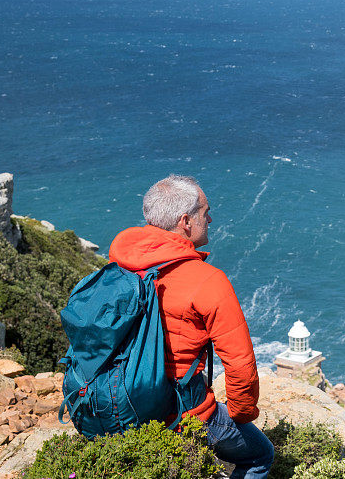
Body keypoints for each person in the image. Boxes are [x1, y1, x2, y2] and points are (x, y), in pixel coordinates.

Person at [108, 174, 274, 479]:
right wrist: (240, 413)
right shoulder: (207, 280)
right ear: (186, 221)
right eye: (205, 212)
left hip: (118, 404)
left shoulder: (120, 264)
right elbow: (240, 364)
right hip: (181, 413)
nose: (210, 218)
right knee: (261, 455)